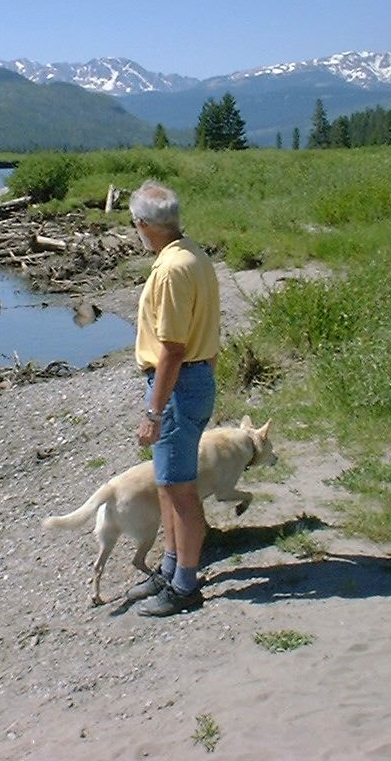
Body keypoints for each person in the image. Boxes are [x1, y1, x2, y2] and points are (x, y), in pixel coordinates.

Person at [127, 180, 220, 616]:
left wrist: (154, 411)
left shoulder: (170, 270)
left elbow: (173, 348)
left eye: (135, 224)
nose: (135, 231)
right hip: (194, 381)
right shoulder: (194, 255)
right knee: (167, 483)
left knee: (181, 490)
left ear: (146, 225)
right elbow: (206, 332)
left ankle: (185, 585)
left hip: (178, 387)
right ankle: (169, 568)